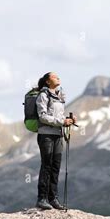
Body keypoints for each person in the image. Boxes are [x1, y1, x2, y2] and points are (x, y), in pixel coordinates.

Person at [35, 72, 76, 210]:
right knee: (46, 165)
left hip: (58, 134)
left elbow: (57, 116)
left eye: (58, 76)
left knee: (55, 166)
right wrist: (61, 121)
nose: (58, 77)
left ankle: (53, 199)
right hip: (46, 135)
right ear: (47, 81)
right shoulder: (43, 95)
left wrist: (68, 120)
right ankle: (42, 199)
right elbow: (42, 117)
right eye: (54, 76)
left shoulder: (59, 96)